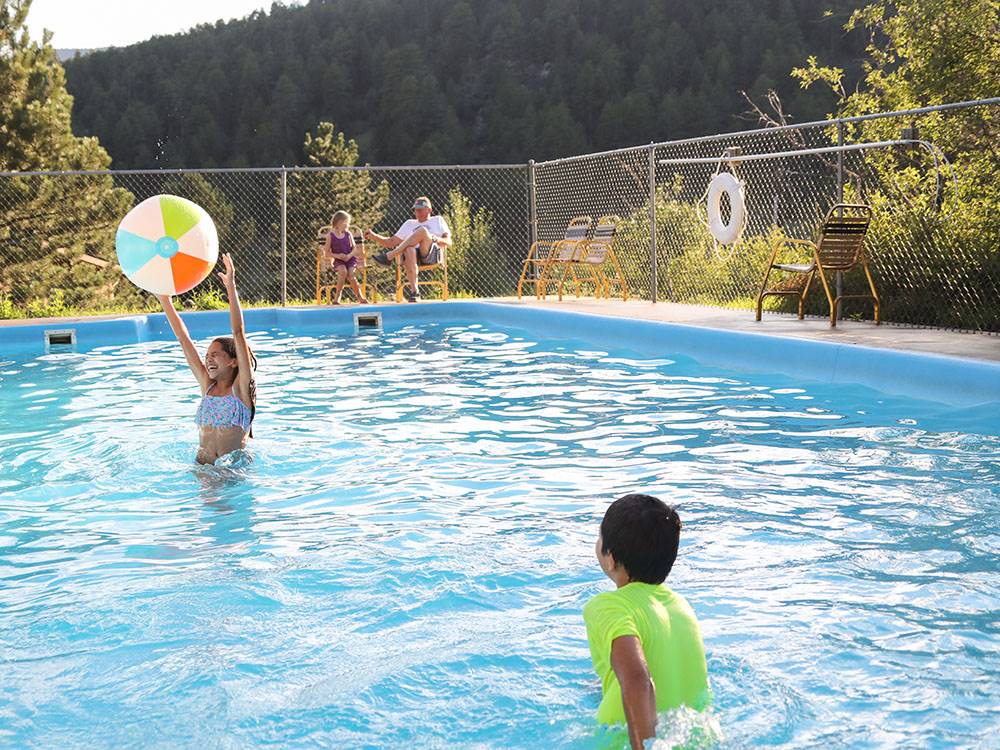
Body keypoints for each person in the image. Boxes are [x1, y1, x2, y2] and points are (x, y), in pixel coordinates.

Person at [584, 494, 710, 750]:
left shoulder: (608, 606)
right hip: (698, 738)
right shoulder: (682, 607)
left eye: (600, 537)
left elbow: (637, 679)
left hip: (622, 740)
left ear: (610, 558)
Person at [158, 253, 257, 465]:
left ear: (234, 361)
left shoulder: (240, 391)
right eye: (206, 356)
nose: (208, 360)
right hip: (202, 467)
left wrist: (230, 285)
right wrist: (165, 300)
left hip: (231, 470)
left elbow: (238, 332)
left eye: (215, 355)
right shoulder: (207, 386)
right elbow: (183, 338)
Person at [365, 196, 451, 302]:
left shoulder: (438, 220)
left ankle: (390, 256)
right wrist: (373, 236)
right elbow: (391, 242)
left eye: (420, 210)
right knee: (409, 249)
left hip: (431, 254)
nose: (417, 212)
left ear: (429, 210)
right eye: (415, 210)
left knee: (422, 231)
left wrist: (435, 238)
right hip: (413, 257)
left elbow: (448, 242)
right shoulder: (409, 223)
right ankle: (415, 292)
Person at [323, 210, 367, 304]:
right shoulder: (330, 236)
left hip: (350, 258)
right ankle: (337, 296)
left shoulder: (348, 234)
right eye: (347, 223)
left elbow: (354, 248)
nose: (348, 225)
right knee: (343, 272)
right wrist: (338, 256)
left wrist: (348, 256)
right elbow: (326, 253)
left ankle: (360, 296)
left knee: (351, 275)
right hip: (339, 260)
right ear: (339, 222)